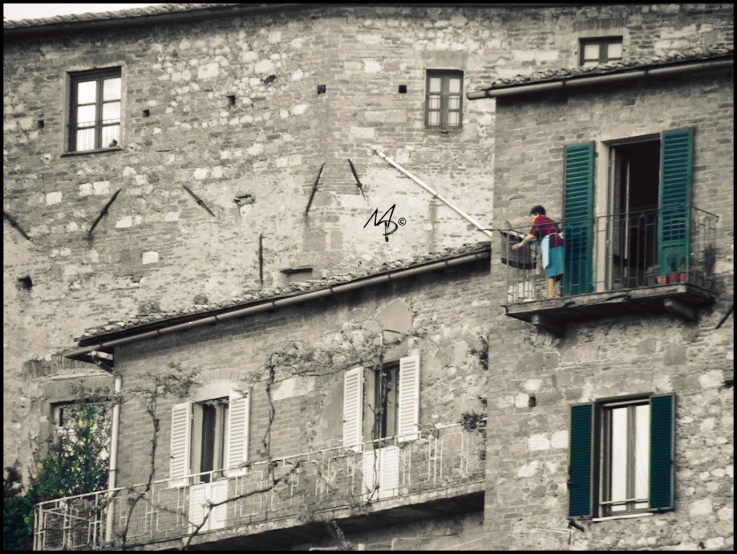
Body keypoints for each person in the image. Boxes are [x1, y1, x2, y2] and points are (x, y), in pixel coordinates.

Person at [512, 205, 564, 299]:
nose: (532, 221)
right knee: (555, 269)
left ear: (537, 214)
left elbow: (531, 234)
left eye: (533, 218)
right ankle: (553, 294)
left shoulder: (539, 219)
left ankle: (550, 296)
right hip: (559, 244)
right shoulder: (551, 222)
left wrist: (520, 244)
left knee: (549, 269)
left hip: (550, 243)